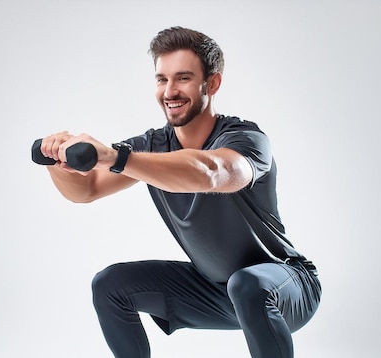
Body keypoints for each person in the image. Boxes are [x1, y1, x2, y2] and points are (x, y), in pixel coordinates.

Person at [39, 26, 321, 358]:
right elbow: (86, 190)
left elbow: (214, 173)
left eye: (183, 78)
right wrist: (57, 161)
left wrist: (117, 157)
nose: (170, 91)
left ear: (212, 83)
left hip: (285, 287)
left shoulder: (245, 138)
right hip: (215, 291)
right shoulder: (151, 146)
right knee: (110, 285)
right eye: (162, 79)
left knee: (246, 285)